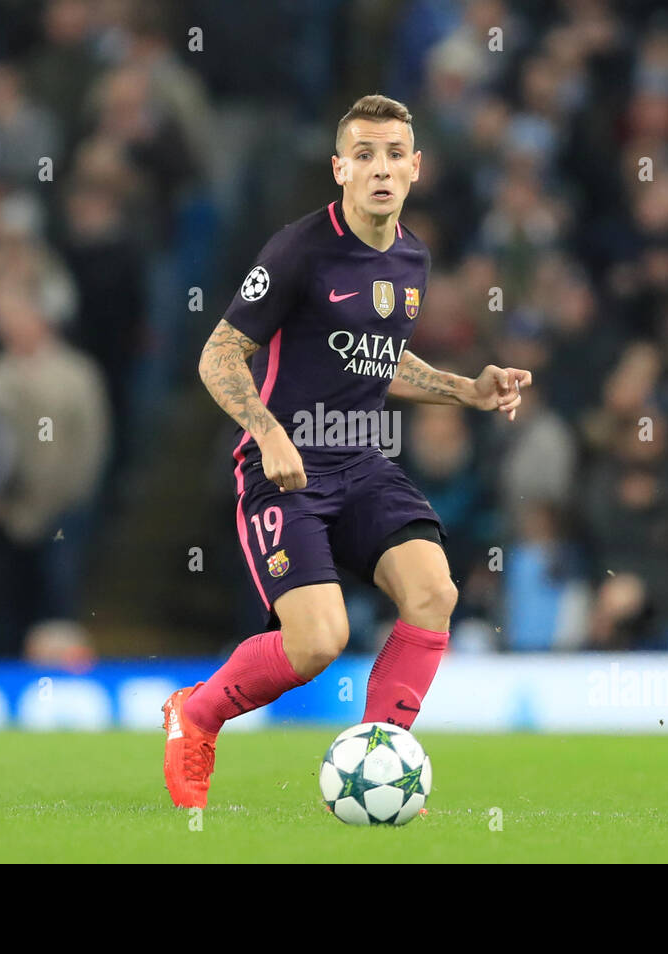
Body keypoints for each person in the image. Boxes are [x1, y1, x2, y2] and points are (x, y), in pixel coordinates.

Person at [162, 95, 532, 808]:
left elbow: (377, 359)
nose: (381, 168)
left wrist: (467, 389)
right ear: (339, 169)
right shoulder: (300, 249)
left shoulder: (413, 258)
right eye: (364, 155)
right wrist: (268, 432)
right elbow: (218, 356)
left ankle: (378, 758)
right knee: (318, 641)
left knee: (434, 592)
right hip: (286, 472)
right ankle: (198, 713)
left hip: (362, 465)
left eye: (395, 154)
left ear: (416, 167)